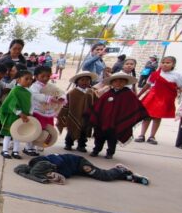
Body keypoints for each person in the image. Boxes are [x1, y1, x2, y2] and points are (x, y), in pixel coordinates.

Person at [88, 71, 148, 158]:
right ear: (111, 83)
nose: (118, 83)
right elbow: (99, 106)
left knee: (112, 139)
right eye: (116, 81)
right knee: (99, 137)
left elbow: (134, 107)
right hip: (103, 121)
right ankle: (96, 150)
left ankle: (110, 153)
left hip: (117, 123)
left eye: (121, 81)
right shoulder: (107, 94)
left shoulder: (129, 95)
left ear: (125, 82)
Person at [14, 154, 149, 185]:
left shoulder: (52, 160)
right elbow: (21, 171)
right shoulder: (38, 167)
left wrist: (54, 173)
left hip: (79, 164)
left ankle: (119, 169)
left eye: (49, 173)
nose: (50, 176)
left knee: (103, 176)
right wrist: (45, 177)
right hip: (74, 169)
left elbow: (61, 171)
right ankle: (128, 177)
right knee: (96, 176)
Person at [135, 56, 182, 144]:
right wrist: (139, 94)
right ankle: (142, 135)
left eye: (168, 63)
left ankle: (152, 136)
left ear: (173, 64)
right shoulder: (155, 74)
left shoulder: (176, 75)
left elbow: (179, 87)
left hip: (164, 99)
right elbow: (148, 85)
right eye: (163, 62)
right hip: (153, 97)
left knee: (157, 117)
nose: (165, 64)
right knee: (147, 116)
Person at [24, 65, 65, 156]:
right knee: (35, 129)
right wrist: (49, 98)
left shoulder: (51, 86)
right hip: (36, 111)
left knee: (44, 130)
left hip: (47, 112)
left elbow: (60, 91)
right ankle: (28, 147)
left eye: (48, 76)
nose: (45, 78)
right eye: (42, 76)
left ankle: (38, 145)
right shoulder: (34, 86)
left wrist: (61, 97)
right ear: (36, 76)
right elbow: (35, 95)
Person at [57, 71, 97, 152]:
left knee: (84, 132)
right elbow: (66, 105)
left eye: (87, 80)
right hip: (74, 115)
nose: (85, 82)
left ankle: (81, 145)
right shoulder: (72, 93)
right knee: (72, 130)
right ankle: (68, 144)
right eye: (82, 80)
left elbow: (96, 103)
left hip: (86, 117)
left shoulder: (92, 92)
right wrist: (62, 114)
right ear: (77, 82)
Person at [0, 69, 34, 159]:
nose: (29, 81)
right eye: (26, 79)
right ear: (18, 80)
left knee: (18, 134)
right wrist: (20, 113)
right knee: (8, 134)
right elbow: (11, 104)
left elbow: (31, 104)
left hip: (24, 116)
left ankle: (15, 151)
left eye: (31, 79)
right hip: (13, 116)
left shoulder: (29, 92)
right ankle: (5, 150)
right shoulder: (15, 90)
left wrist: (30, 113)